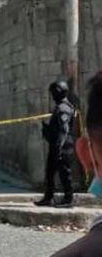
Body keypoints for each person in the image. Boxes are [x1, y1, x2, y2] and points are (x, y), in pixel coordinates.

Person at [16, 71, 101, 257]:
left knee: (61, 177)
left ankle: (63, 197)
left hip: (61, 149)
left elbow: (63, 130)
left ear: (86, 155)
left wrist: (58, 142)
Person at [35, 79, 78, 208]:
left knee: (64, 173)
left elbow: (64, 129)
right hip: (57, 145)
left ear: (58, 92)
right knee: (50, 172)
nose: (52, 95)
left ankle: (68, 199)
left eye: (53, 93)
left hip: (62, 146)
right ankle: (48, 197)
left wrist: (59, 146)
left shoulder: (63, 108)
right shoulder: (61, 106)